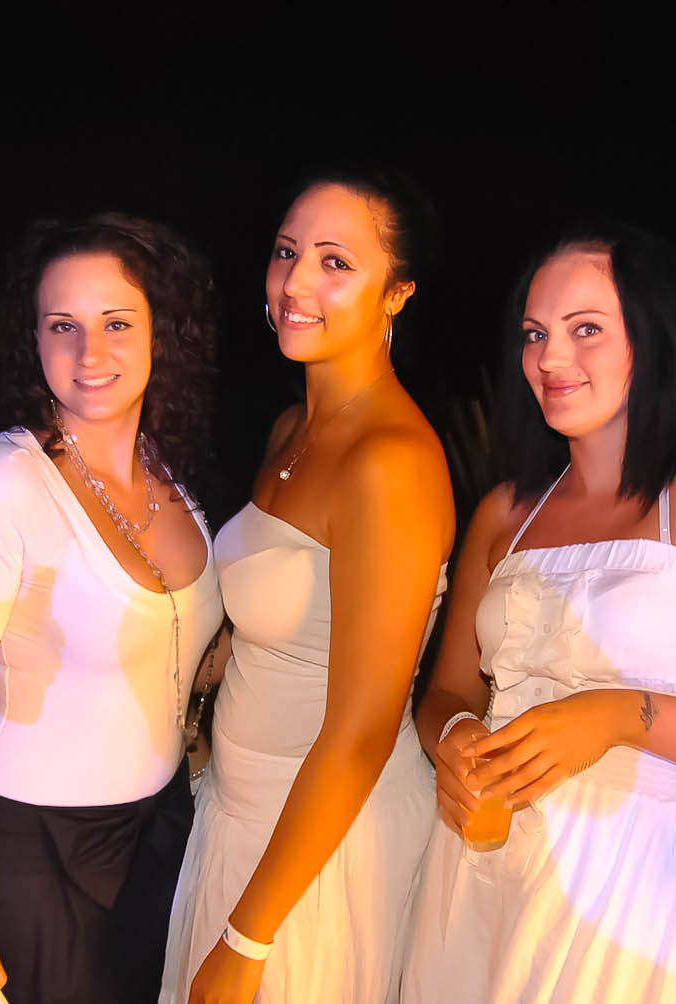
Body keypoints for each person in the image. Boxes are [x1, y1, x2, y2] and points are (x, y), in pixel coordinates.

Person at [400, 222, 676, 1003]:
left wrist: (619, 717)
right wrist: (454, 736)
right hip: (476, 867)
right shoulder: (503, 513)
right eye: (535, 334)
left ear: (652, 338)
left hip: (635, 882)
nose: (550, 358)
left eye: (586, 329)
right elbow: (448, 691)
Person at [0, 214, 227, 1004]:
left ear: (161, 333)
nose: (90, 353)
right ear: (34, 338)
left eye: (116, 323)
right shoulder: (2, 482)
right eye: (63, 326)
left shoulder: (169, 474)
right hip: (35, 856)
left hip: (160, 835)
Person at [161, 171, 456, 1004]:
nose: (295, 283)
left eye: (335, 263)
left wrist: (248, 937)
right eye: (286, 252)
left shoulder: (390, 462)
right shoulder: (292, 428)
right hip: (238, 811)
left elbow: (362, 731)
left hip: (322, 849)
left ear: (396, 293)